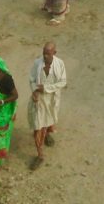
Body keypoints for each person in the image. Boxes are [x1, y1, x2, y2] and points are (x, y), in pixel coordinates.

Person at [28, 42, 66, 171]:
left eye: (48, 53)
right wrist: (34, 91)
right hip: (39, 100)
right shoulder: (37, 63)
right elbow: (32, 79)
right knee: (37, 127)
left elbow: (62, 82)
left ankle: (47, 134)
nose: (45, 56)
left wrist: (47, 88)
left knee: (48, 121)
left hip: (52, 100)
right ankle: (40, 155)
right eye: (43, 53)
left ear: (54, 53)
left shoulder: (59, 64)